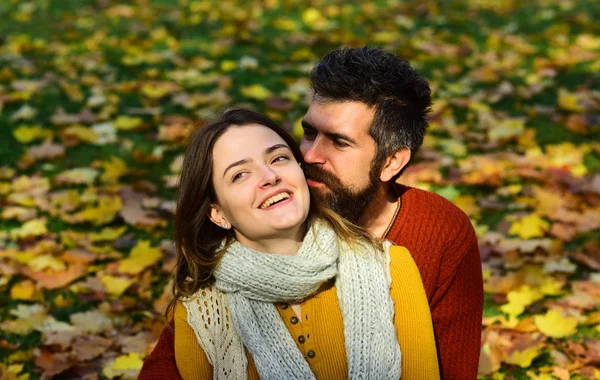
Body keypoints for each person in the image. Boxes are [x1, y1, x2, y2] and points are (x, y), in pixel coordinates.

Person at [141, 47, 483, 379]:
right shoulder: (243, 252)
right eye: (308, 133)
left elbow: (449, 370)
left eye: (339, 141)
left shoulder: (433, 235)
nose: (309, 156)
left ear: (392, 162)